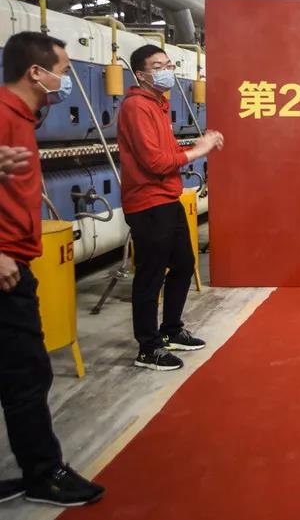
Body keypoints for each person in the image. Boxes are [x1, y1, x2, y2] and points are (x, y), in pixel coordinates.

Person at [0, 31, 104, 506]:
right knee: (27, 373)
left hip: (16, 259)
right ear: (35, 72)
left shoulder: (22, 117)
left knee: (20, 372)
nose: (66, 81)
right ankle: (44, 474)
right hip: (5, 268)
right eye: (63, 71)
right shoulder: (3, 115)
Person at [118, 45, 223, 371]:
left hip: (167, 198)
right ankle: (148, 347)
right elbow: (155, 162)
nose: (166, 71)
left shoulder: (158, 104)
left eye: (169, 64)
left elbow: (164, 153)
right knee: (150, 275)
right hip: (148, 202)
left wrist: (192, 148)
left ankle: (172, 330)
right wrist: (198, 151)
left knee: (183, 263)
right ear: (141, 74)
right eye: (157, 66)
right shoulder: (137, 107)